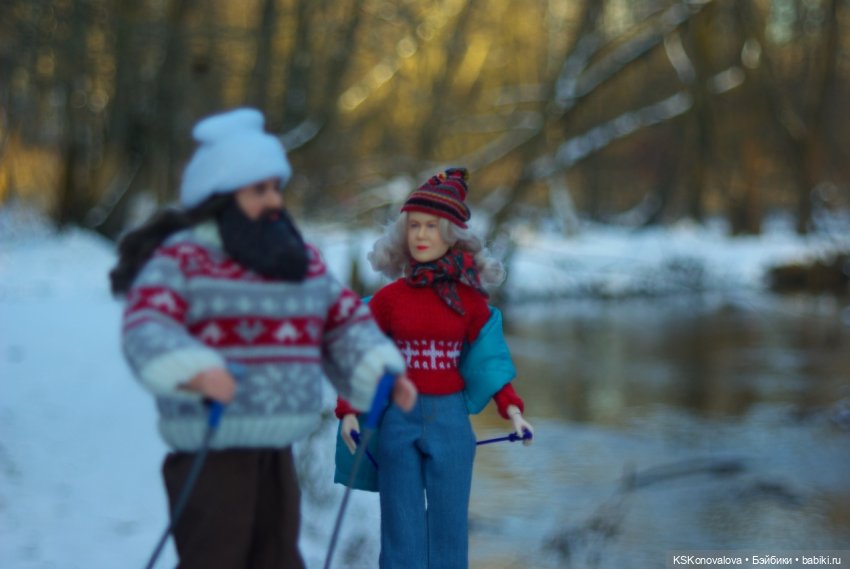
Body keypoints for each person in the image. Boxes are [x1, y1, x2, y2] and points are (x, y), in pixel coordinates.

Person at [110, 107, 415, 569]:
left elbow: (344, 320)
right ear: (220, 195)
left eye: (276, 187)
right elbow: (147, 326)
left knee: (277, 556)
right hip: (209, 448)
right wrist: (193, 370)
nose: (274, 201)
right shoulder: (185, 258)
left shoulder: (296, 260)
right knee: (216, 556)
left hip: (276, 447)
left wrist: (377, 371)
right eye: (259, 190)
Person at [335, 167, 534, 569]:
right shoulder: (390, 300)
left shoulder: (469, 301)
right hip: (399, 420)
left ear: (452, 234)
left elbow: (489, 356)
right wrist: (348, 410)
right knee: (400, 529)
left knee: (449, 530)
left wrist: (511, 409)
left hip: (450, 421)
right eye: (414, 226)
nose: (422, 236)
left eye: (432, 226)